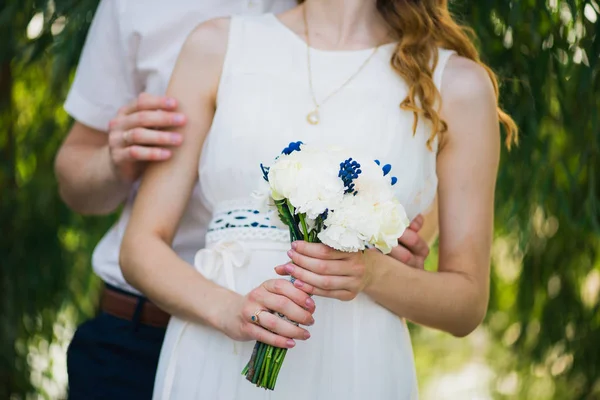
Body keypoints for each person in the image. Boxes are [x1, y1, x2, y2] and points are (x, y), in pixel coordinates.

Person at [119, 0, 517, 398]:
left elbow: (467, 303)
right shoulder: (217, 45)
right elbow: (140, 248)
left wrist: (374, 274)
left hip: (358, 365)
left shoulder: (457, 84)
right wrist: (228, 309)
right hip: (215, 354)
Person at [54, 0, 433, 398]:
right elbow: (74, 180)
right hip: (141, 320)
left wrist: (386, 248)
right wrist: (117, 160)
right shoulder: (147, 10)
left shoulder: (377, 34)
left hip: (316, 330)